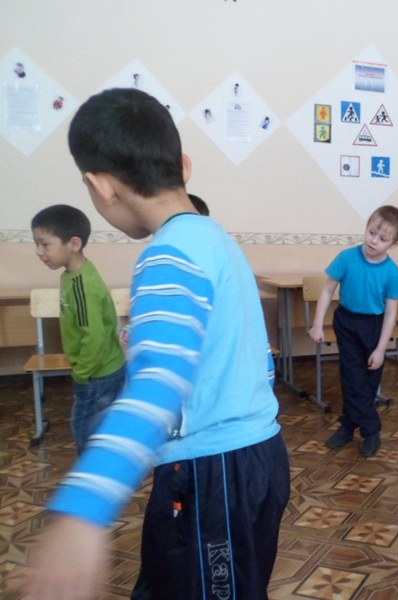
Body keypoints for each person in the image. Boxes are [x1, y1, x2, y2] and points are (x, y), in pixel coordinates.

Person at [17, 88, 290, 600]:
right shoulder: (214, 238)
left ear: (100, 186)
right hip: (254, 457)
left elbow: (156, 386)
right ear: (183, 166)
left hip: (213, 472)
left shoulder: (168, 254)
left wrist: (82, 512)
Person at [308, 205, 398, 458]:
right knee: (352, 377)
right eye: (371, 233)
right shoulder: (347, 258)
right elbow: (327, 290)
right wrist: (318, 323)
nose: (374, 241)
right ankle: (371, 430)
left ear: (395, 244)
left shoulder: (393, 273)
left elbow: (391, 314)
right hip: (347, 323)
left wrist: (381, 349)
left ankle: (349, 423)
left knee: (368, 381)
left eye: (383, 239)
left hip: (374, 327)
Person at [30, 204, 126, 454]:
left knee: (85, 432)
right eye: (36, 244)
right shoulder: (72, 275)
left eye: (45, 244)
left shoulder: (83, 285)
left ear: (74, 243)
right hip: (100, 369)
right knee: (99, 430)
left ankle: (96, 472)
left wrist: (81, 374)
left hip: (97, 374)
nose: (39, 252)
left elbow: (93, 337)